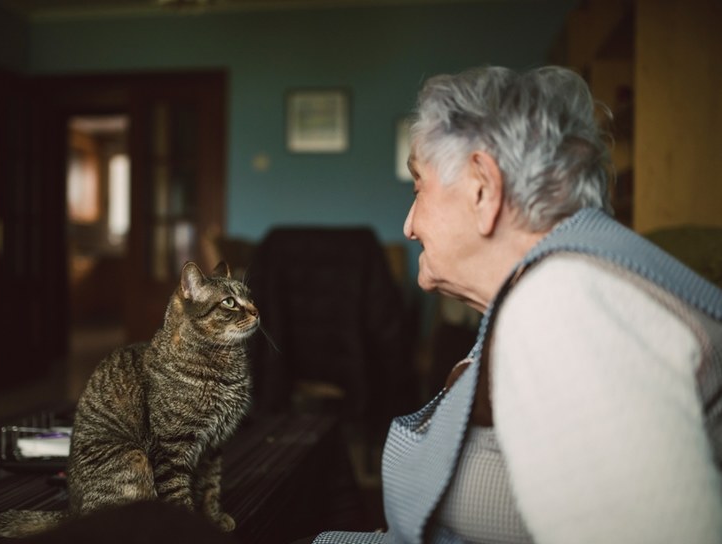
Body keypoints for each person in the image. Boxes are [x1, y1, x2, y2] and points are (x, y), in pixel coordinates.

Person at [309, 66, 722, 543]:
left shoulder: (561, 304)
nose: (408, 225)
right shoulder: (554, 291)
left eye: (418, 187)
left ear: (483, 188)